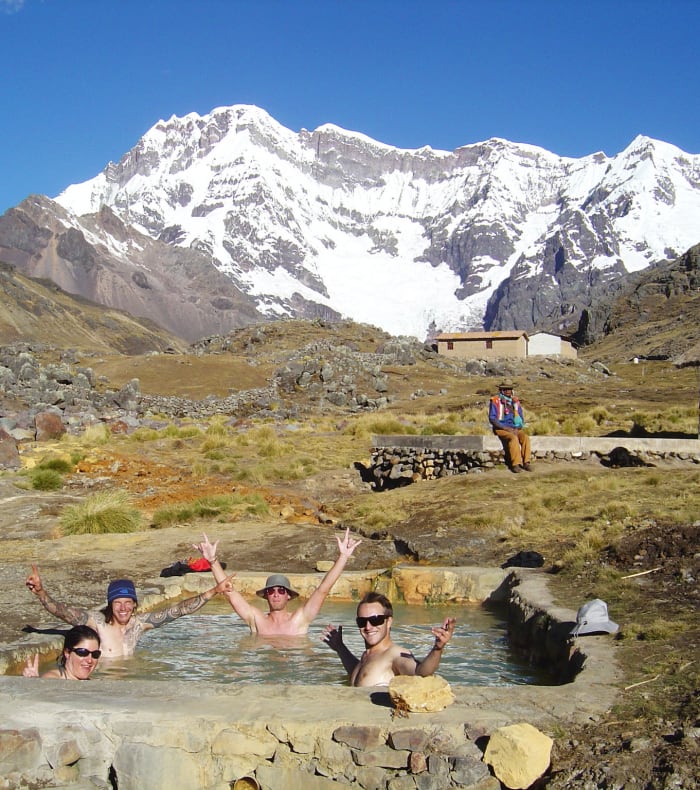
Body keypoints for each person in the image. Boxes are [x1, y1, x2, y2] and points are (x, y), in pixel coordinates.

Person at [25, 565, 233, 657]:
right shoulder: (97, 622)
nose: (123, 608)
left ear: (134, 604)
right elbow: (62, 612)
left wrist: (214, 591)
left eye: (128, 603)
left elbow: (178, 610)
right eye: (118, 603)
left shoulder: (139, 625)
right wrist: (41, 592)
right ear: (110, 604)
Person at [193, 528, 362, 636]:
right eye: (271, 591)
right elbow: (229, 592)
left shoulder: (300, 618)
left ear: (288, 595)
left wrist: (343, 557)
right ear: (266, 595)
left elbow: (322, 590)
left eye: (281, 590)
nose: (276, 594)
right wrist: (212, 561)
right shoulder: (256, 620)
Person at [321, 591, 456, 687]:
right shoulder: (367, 655)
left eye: (376, 620)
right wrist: (340, 648)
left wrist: (437, 648)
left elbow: (419, 673)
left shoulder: (396, 654)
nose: (368, 627)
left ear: (389, 622)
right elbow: (360, 675)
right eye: (362, 621)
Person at [22, 625, 101, 680]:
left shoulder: (92, 684)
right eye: (83, 652)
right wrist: (36, 684)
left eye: (95, 654)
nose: (89, 660)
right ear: (67, 652)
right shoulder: (52, 680)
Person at [489, 382, 532, 473]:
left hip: (514, 427)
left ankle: (526, 462)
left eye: (510, 389)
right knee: (513, 438)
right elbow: (492, 418)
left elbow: (521, 418)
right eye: (506, 389)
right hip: (501, 428)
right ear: (501, 390)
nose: (508, 391)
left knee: (525, 437)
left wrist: (517, 428)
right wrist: (505, 428)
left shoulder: (515, 402)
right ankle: (515, 464)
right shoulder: (495, 401)